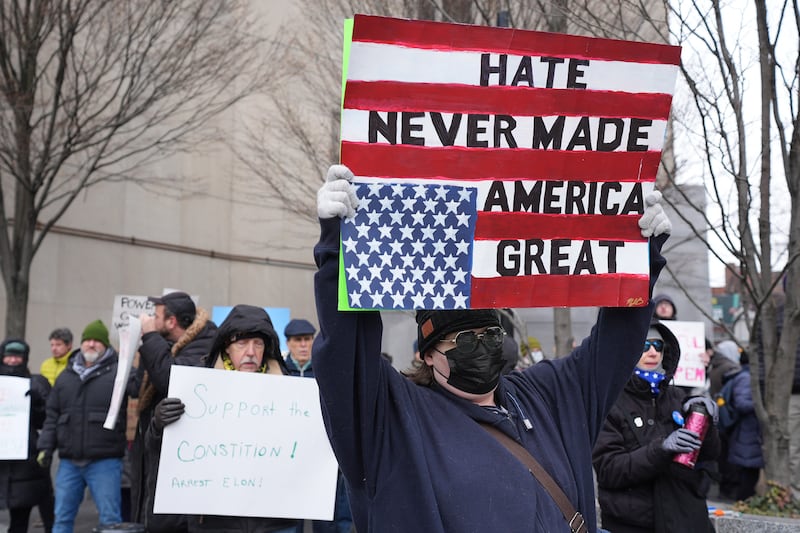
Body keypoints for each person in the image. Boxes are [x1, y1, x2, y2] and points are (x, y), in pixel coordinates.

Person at [312, 164, 672, 532]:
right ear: (428, 354)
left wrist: (640, 257)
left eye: (492, 335)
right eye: (467, 340)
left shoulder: (547, 395)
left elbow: (613, 346)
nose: (483, 346)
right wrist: (339, 250)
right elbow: (345, 354)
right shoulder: (393, 417)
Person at [150, 304, 301, 533]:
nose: (250, 351)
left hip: (273, 522)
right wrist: (159, 425)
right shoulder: (196, 387)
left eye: (258, 343)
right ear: (226, 348)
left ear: (267, 348)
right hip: (214, 521)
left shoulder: (291, 395)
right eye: (241, 343)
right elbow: (166, 452)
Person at [592, 322, 720, 532]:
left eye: (658, 346)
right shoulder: (610, 402)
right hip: (635, 523)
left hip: (687, 518)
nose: (652, 352)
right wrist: (661, 449)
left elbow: (710, 455)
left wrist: (707, 422)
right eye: (644, 346)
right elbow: (609, 470)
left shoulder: (678, 396)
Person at [130, 290, 217, 532]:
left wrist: (149, 337)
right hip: (156, 450)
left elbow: (170, 378)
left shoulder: (204, 344)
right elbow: (139, 388)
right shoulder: (169, 345)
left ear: (171, 321)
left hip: (185, 464)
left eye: (156, 316)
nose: (150, 320)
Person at [37, 320, 127, 533]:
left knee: (110, 521)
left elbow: (140, 385)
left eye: (97, 340)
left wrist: (134, 355)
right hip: (69, 463)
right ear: (81, 343)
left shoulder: (119, 374)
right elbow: (53, 416)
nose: (91, 344)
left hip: (105, 462)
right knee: (62, 520)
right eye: (87, 340)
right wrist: (45, 447)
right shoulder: (65, 377)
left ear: (105, 345)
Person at [283, 318, 354, 533]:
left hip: (325, 450)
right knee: (289, 510)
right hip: (290, 452)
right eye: (298, 340)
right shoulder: (281, 372)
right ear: (288, 343)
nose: (304, 345)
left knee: (331, 508)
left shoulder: (326, 369)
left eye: (307, 339)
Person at [0, 339, 55, 533]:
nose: (13, 360)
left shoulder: (37, 384)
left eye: (18, 356)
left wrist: (36, 404)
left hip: (25, 463)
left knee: (20, 520)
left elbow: (48, 418)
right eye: (9, 355)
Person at [722, 350, 763, 500]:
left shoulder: (746, 376)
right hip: (747, 432)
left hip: (748, 432)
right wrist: (761, 404)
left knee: (749, 472)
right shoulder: (746, 378)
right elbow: (741, 404)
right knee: (748, 473)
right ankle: (742, 501)